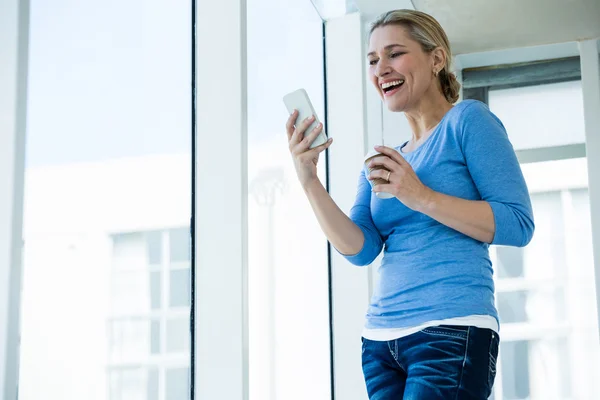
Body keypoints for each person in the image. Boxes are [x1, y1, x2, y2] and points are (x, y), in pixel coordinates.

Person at [285, 9, 534, 400]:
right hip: (380, 342)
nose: (380, 68)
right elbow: (361, 249)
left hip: (452, 329)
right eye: (372, 60)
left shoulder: (468, 121)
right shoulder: (383, 159)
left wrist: (419, 196)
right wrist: (308, 178)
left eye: (394, 54)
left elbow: (518, 224)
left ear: (436, 59)